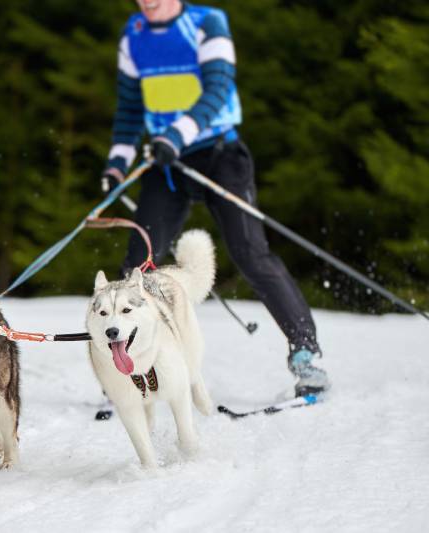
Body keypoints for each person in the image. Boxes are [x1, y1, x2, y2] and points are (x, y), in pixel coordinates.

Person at [100, 0, 329, 399]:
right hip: (166, 164)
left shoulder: (207, 22)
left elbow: (218, 89)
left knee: (249, 253)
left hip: (219, 154)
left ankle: (305, 354)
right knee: (139, 263)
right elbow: (130, 109)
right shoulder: (133, 35)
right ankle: (134, 369)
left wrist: (177, 134)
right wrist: (117, 163)